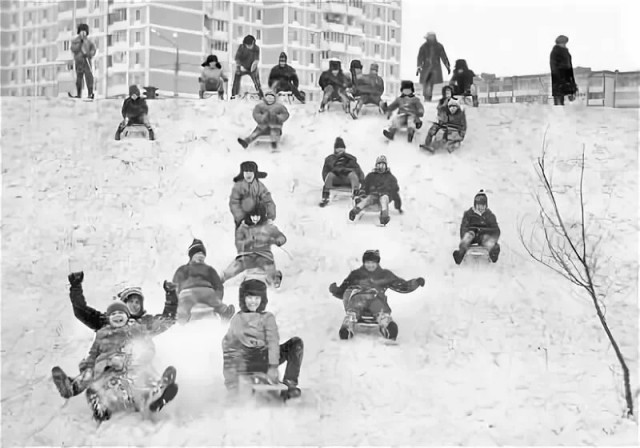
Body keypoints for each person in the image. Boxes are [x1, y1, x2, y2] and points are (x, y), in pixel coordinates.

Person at [52, 272, 178, 400]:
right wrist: (76, 287)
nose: (134, 305)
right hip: (109, 365)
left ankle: (156, 391)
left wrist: (171, 295)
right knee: (94, 371)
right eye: (130, 301)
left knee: (145, 368)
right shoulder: (106, 321)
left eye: (137, 302)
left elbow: (167, 320)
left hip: (135, 362)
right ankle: (75, 387)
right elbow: (81, 311)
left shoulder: (144, 323)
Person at [53, 301, 178, 422]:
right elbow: (93, 353)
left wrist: (142, 355)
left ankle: (157, 393)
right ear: (108, 318)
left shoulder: (135, 329)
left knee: (144, 373)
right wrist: (88, 365)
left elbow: (151, 339)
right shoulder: (102, 333)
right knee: (92, 380)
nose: (117, 316)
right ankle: (75, 390)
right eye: (113, 314)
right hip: (107, 367)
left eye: (121, 313)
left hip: (129, 364)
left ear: (127, 317)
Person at [222, 279, 303, 399]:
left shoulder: (267, 317)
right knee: (235, 348)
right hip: (245, 361)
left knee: (296, 343)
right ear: (243, 299)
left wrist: (273, 367)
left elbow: (273, 341)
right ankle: (246, 384)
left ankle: (289, 384)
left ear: (262, 299)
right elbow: (229, 349)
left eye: (257, 298)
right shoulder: (237, 319)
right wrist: (231, 383)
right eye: (249, 298)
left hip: (264, 358)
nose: (253, 302)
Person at [329, 250, 425, 340]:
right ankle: (348, 326)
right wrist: (335, 290)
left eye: (373, 262)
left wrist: (415, 283)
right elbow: (344, 289)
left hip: (376, 299)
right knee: (355, 307)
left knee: (379, 307)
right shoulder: (356, 274)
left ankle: (387, 325)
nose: (370, 265)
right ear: (364, 262)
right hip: (359, 298)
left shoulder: (385, 275)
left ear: (377, 262)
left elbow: (401, 286)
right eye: (368, 262)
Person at [221, 204, 286, 288]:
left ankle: (275, 278)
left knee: (269, 268)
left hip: (264, 255)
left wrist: (278, 241)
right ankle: (220, 279)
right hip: (247, 255)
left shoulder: (268, 227)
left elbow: (281, 237)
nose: (255, 218)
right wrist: (247, 242)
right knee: (236, 267)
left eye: (258, 216)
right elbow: (239, 242)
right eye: (253, 216)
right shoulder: (244, 227)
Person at [172, 239, 235, 323]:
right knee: (184, 307)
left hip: (203, 292)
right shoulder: (184, 269)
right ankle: (224, 312)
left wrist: (218, 298)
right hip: (190, 292)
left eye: (202, 254)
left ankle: (224, 312)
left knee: (213, 301)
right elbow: (176, 285)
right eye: (198, 253)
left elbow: (218, 286)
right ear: (191, 255)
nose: (201, 255)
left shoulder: (209, 269)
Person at [348, 155, 402, 226]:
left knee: (384, 199)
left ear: (386, 166)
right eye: (379, 165)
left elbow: (395, 191)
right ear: (376, 166)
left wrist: (398, 206)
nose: (381, 167)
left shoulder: (390, 178)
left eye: (382, 165)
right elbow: (364, 186)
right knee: (368, 198)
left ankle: (384, 217)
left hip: (385, 196)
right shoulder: (371, 176)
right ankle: (354, 211)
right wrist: (362, 194)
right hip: (373, 195)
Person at [453, 190, 501, 264]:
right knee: (468, 236)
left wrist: (488, 233)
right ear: (475, 205)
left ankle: (493, 253)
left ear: (486, 206)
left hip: (484, 236)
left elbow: (496, 230)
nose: (480, 208)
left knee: (489, 241)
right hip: (472, 235)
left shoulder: (489, 216)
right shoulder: (469, 214)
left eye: (483, 205)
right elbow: (463, 228)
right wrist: (467, 233)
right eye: (479, 205)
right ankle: (460, 254)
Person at [319, 137, 365, 207]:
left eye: (342, 148)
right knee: (330, 174)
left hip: (348, 179)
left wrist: (363, 182)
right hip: (336, 179)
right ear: (335, 149)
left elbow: (358, 170)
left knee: (352, 174)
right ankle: (325, 196)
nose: (340, 150)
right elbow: (325, 172)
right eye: (338, 148)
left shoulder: (350, 158)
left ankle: (356, 195)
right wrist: (326, 180)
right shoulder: (330, 159)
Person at [228, 161, 276, 228]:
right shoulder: (238, 187)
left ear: (254, 173)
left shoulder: (259, 186)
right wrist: (240, 218)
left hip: (259, 216)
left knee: (262, 233)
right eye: (246, 172)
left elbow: (268, 200)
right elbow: (234, 203)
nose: (248, 174)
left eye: (250, 172)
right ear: (243, 174)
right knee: (244, 234)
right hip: (244, 218)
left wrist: (270, 216)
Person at [416, 32, 450, 102]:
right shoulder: (423, 47)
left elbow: (444, 57)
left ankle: (427, 97)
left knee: (429, 83)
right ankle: (426, 97)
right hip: (426, 68)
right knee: (426, 83)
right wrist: (419, 66)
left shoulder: (439, 46)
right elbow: (420, 57)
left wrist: (447, 66)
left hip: (434, 68)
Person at [231, 35, 263, 99]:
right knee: (236, 79)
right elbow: (237, 58)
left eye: (249, 45)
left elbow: (256, 60)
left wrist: (253, 68)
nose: (248, 47)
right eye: (247, 45)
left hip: (252, 67)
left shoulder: (256, 48)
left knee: (257, 80)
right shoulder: (241, 47)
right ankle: (234, 95)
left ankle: (261, 95)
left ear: (253, 42)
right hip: (242, 66)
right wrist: (239, 67)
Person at [69, 23, 97, 99]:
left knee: (89, 77)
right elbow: (73, 49)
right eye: (82, 31)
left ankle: (90, 93)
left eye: (85, 31)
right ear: (79, 32)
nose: (83, 33)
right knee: (79, 78)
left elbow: (93, 50)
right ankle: (78, 93)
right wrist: (79, 44)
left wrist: (89, 54)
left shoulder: (89, 42)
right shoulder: (75, 41)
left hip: (87, 62)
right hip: (79, 62)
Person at [549, 35, 577, 106]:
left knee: (569, 103)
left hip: (567, 80)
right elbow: (554, 68)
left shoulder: (566, 53)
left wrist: (572, 83)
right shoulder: (555, 52)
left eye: (565, 43)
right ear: (558, 43)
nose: (564, 45)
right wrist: (560, 81)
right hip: (559, 81)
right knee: (559, 104)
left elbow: (570, 69)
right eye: (563, 43)